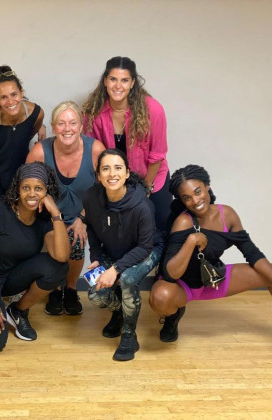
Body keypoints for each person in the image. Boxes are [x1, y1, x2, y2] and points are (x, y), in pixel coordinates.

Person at [149, 164, 272, 358]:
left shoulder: (227, 215)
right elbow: (170, 273)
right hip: (183, 287)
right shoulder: (183, 221)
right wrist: (191, 241)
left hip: (213, 280)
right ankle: (173, 317)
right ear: (182, 201)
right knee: (160, 297)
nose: (195, 200)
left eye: (198, 192)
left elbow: (251, 253)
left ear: (207, 186)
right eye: (187, 198)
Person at [0, 162, 70, 355]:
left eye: (38, 189)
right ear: (17, 188)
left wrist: (56, 214)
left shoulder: (44, 217)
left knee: (58, 267)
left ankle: (17, 310)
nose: (32, 194)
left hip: (10, 276)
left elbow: (61, 255)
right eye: (26, 188)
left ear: (47, 191)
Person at [26, 101, 105, 316]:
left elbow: (104, 190)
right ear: (53, 127)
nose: (67, 128)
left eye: (72, 123)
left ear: (81, 126)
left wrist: (83, 218)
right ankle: (55, 288)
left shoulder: (96, 149)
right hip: (50, 216)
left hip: (85, 214)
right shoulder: (40, 151)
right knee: (62, 247)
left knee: (77, 240)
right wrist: (53, 215)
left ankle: (70, 290)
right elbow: (27, 189)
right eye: (61, 123)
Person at [83, 149, 162, 361]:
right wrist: (97, 257)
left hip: (147, 249)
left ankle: (129, 334)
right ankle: (121, 311)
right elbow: (90, 226)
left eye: (118, 168)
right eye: (105, 169)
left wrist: (116, 269)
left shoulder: (142, 205)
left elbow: (145, 246)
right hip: (114, 250)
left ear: (127, 173)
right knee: (96, 295)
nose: (112, 174)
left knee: (127, 279)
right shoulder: (91, 197)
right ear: (98, 175)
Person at [82, 56, 172, 234]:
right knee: (124, 233)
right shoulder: (93, 112)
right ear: (105, 81)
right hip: (116, 181)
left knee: (161, 228)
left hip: (152, 178)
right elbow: (94, 152)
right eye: (113, 79)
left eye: (124, 80)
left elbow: (158, 154)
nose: (118, 86)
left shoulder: (153, 110)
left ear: (133, 83)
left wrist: (146, 189)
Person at [0, 65, 46, 210]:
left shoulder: (36, 113)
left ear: (22, 93)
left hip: (19, 172)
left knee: (19, 219)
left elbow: (28, 134)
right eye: (3, 97)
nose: (10, 101)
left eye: (14, 94)